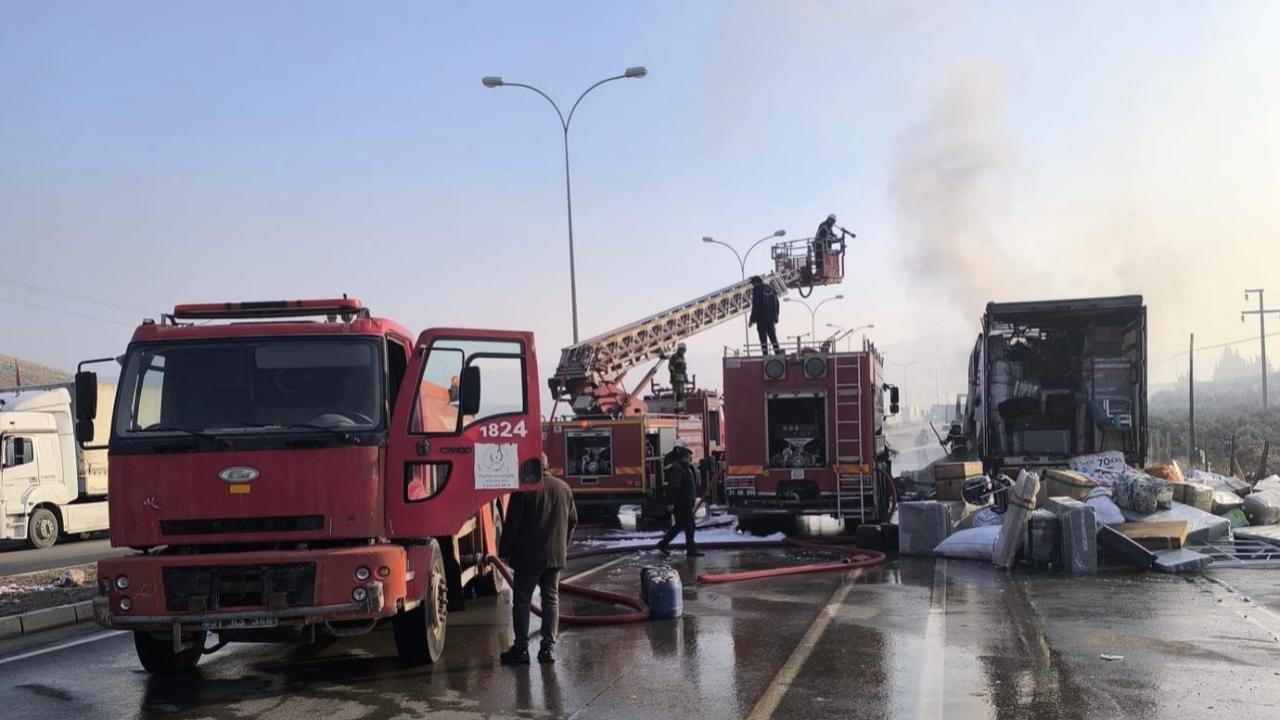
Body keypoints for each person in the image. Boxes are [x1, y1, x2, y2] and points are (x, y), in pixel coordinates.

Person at [499, 453, 578, 665]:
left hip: (528, 558)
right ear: (547, 465)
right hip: (554, 558)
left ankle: (521, 649)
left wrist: (504, 551)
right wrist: (563, 546)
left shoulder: (524, 491)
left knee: (522, 601)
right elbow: (573, 521)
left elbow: (512, 526)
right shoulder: (564, 488)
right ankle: (547, 650)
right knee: (551, 599)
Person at [656, 444, 704, 557]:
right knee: (689, 526)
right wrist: (671, 502)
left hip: (686, 502)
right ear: (683, 457)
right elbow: (674, 487)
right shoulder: (678, 469)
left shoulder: (686, 468)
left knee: (680, 525)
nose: (690, 459)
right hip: (681, 503)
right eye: (688, 457)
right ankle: (691, 550)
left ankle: (663, 544)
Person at [748, 276, 782, 354]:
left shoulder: (757, 291)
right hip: (771, 319)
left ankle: (765, 356)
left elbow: (755, 306)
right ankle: (778, 354)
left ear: (757, 282)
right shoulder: (771, 289)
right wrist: (776, 317)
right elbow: (777, 304)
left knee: (763, 340)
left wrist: (751, 320)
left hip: (761, 319)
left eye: (753, 284)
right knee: (773, 338)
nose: (753, 286)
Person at [668, 343, 688, 412]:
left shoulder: (683, 358)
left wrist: (686, 377)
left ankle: (680, 408)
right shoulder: (674, 357)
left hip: (681, 380)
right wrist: (672, 373)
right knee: (676, 394)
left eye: (684, 351)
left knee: (681, 394)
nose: (683, 352)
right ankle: (676, 409)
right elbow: (670, 366)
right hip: (676, 380)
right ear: (679, 349)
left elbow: (684, 370)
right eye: (682, 350)